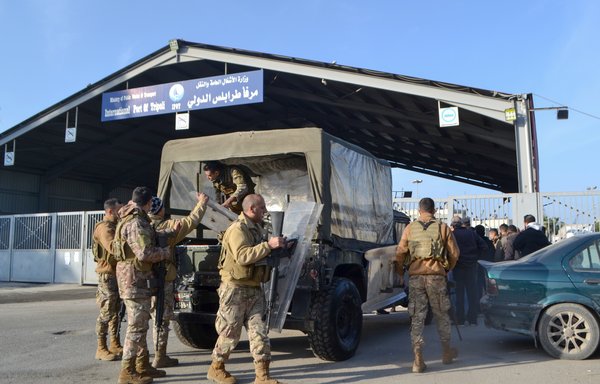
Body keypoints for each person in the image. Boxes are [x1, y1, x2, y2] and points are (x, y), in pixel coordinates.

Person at [207, 194, 286, 384]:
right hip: (235, 289)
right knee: (230, 333)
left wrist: (279, 246)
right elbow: (242, 256)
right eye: (262, 207)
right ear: (251, 209)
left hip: (254, 289)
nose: (265, 211)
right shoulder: (237, 229)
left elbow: (262, 252)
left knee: (259, 332)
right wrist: (268, 245)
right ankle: (216, 368)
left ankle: (262, 376)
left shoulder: (257, 228)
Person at [115, 187, 180, 384]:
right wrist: (166, 252)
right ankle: (127, 371)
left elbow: (148, 237)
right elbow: (144, 253)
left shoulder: (134, 218)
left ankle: (142, 365)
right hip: (135, 281)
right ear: (149, 202)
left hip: (136, 279)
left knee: (141, 325)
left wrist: (169, 232)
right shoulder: (137, 222)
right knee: (136, 327)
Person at [395, 197, 460, 374]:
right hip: (436, 277)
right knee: (441, 315)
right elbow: (454, 253)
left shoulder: (410, 228)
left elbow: (400, 253)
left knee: (417, 317)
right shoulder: (442, 227)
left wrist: (401, 273)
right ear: (435, 210)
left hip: (416, 277)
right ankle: (446, 353)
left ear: (418, 211)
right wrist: (446, 269)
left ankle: (418, 360)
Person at [148, 192, 209, 368]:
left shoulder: (143, 226)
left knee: (149, 317)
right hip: (163, 277)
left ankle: (143, 357)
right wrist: (201, 204)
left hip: (145, 279)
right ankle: (160, 356)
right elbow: (191, 222)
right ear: (160, 210)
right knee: (162, 318)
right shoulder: (168, 227)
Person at [92, 197, 124, 362]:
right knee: (106, 312)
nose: (121, 212)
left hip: (116, 275)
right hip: (108, 276)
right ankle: (101, 347)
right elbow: (113, 248)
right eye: (119, 210)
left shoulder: (114, 226)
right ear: (110, 211)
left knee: (116, 312)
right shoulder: (105, 228)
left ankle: (114, 343)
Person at [450, 216, 487, 326]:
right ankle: (472, 319)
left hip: (458, 267)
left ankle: (460, 319)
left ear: (453, 225)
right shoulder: (471, 233)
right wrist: (476, 258)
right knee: (472, 294)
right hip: (471, 267)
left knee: (459, 294)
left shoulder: (452, 235)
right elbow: (484, 247)